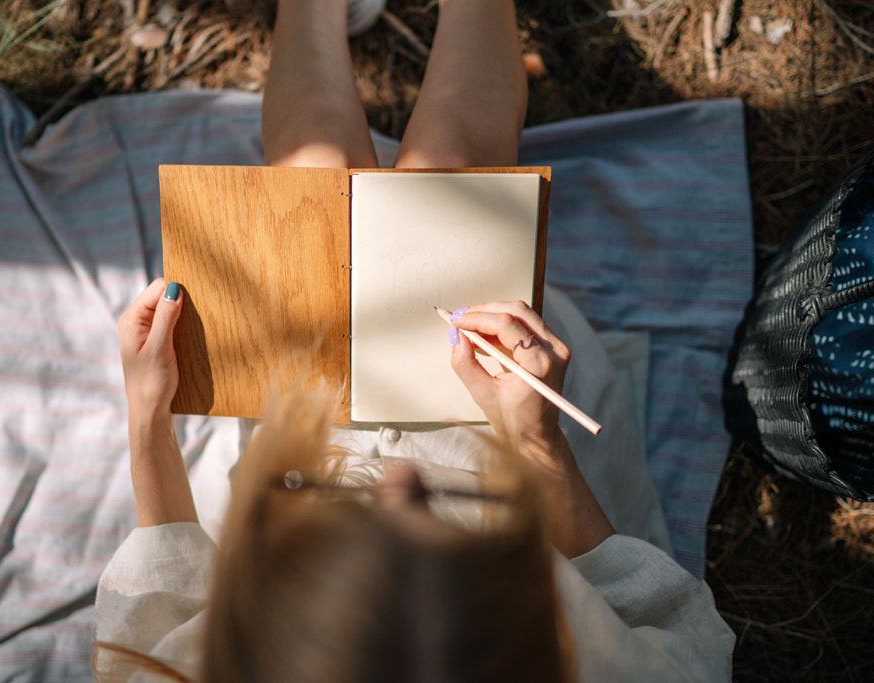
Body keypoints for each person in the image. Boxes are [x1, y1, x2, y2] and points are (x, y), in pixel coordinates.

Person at [94, 0, 735, 681]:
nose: (398, 476)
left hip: (299, 440)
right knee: (452, 173)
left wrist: (148, 417)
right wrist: (538, 442)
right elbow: (667, 623)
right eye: (436, 512)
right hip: (499, 419)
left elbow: (160, 603)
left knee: (313, 177)